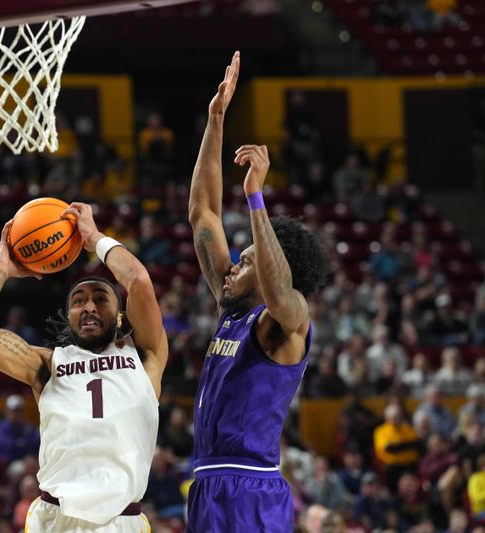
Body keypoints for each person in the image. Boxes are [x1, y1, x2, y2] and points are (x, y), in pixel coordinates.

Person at [185, 51, 329, 532]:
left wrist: (254, 197)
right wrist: (216, 119)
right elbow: (203, 213)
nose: (233, 267)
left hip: (250, 487)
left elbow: (278, 285)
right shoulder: (232, 311)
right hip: (206, 483)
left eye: (245, 261)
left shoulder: (287, 321)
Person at [0, 202, 168, 531]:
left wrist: (94, 237)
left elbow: (139, 281)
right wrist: (2, 266)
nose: (88, 306)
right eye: (78, 301)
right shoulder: (48, 364)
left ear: (118, 315)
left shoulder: (144, 356)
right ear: (69, 318)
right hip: (55, 517)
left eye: (100, 298)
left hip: (121, 521)